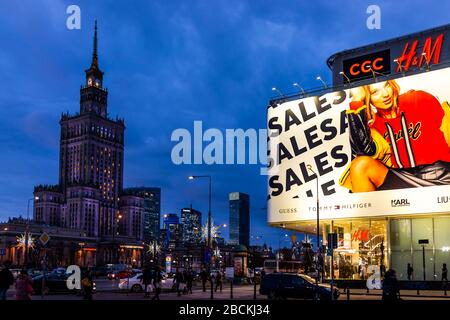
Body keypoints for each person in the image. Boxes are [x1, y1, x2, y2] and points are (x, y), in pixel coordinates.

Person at [340, 80, 450, 192]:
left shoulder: (417, 98)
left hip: (441, 174)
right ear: (368, 99)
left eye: (386, 85)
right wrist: (357, 100)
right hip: (403, 180)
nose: (385, 94)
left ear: (392, 85)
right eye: (375, 92)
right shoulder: (373, 125)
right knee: (360, 165)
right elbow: (362, 152)